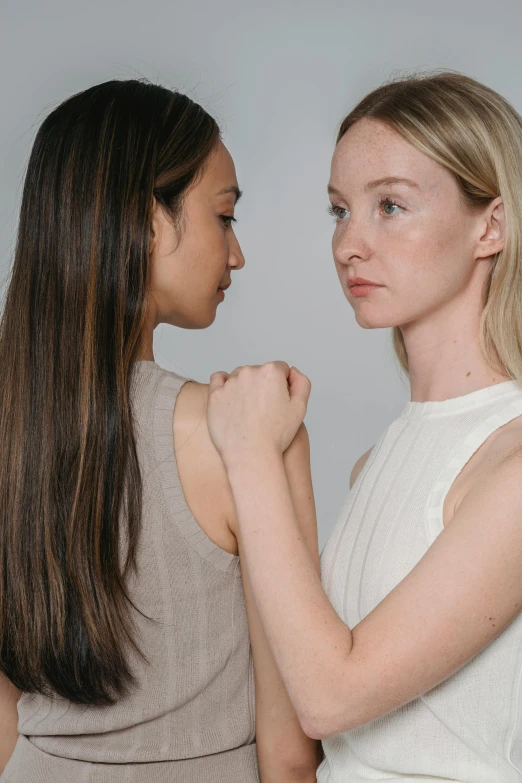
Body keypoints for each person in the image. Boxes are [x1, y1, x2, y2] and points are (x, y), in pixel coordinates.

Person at [0, 79, 321, 782]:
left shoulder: (10, 427)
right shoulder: (245, 432)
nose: (235, 255)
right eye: (223, 217)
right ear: (147, 221)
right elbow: (292, 746)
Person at [206, 71, 522, 782]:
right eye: (340, 210)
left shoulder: (513, 460)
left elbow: (330, 695)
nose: (350, 243)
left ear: (491, 226)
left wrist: (252, 456)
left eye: (390, 205)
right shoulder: (378, 460)